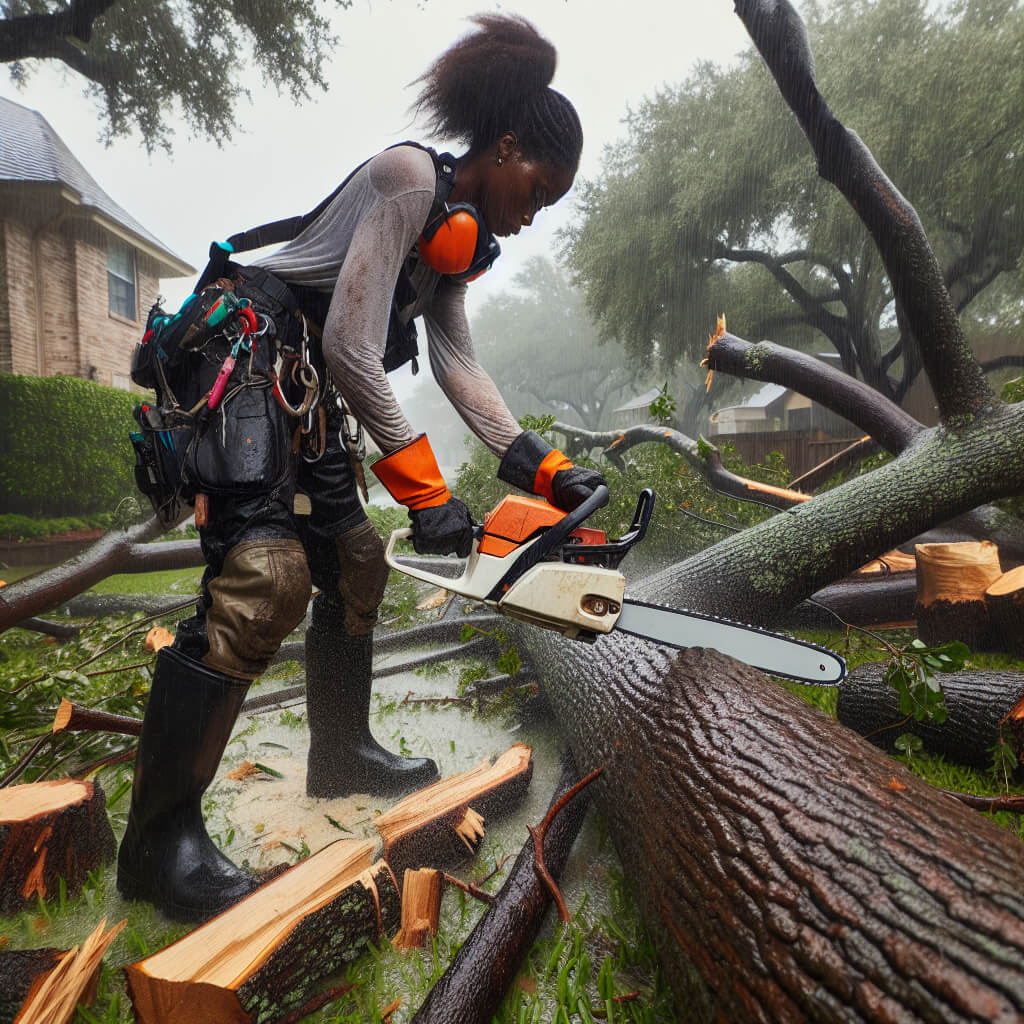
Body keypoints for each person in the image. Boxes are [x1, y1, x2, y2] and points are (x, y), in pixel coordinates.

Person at [117, 12, 607, 923]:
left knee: (354, 561)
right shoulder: (407, 177)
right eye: (539, 188)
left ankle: (339, 752)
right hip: (244, 350)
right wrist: (428, 496)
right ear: (504, 147)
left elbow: (457, 365)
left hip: (297, 375)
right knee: (267, 578)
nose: (534, 212)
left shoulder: (453, 248)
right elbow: (350, 342)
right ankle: (157, 845)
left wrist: (547, 472)